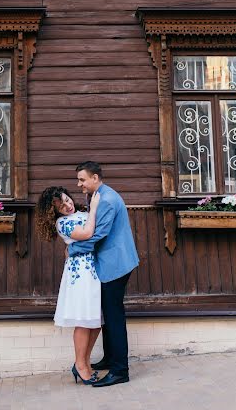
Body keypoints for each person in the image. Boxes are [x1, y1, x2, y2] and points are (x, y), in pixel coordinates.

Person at [68, 161, 139, 387]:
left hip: (115, 265)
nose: (79, 184)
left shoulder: (106, 200)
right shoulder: (97, 196)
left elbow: (98, 235)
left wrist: (72, 249)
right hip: (110, 263)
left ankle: (120, 370)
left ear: (95, 178)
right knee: (108, 316)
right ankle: (110, 359)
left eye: (82, 179)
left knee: (114, 317)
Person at [35, 185, 102, 385]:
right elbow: (89, 233)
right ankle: (80, 366)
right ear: (54, 212)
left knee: (96, 321)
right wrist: (95, 207)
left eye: (66, 199)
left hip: (95, 270)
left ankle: (84, 362)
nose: (67, 205)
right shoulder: (62, 223)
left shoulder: (82, 212)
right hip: (80, 274)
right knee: (84, 320)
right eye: (60, 205)